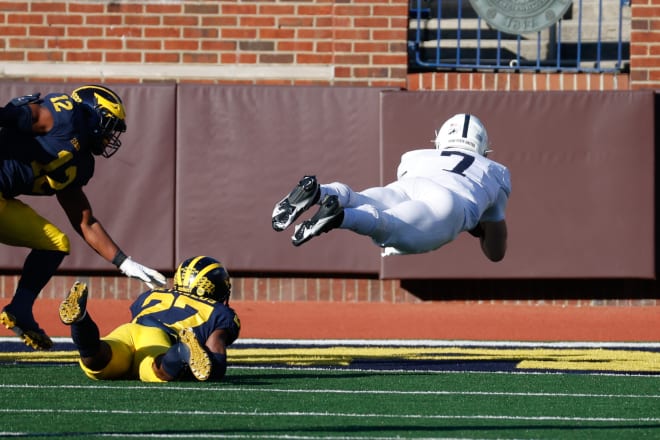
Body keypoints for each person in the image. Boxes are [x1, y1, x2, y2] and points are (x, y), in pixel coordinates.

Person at [0, 85, 166, 351]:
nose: (111, 134)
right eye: (109, 124)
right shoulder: (64, 116)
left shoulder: (81, 163)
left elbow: (84, 220)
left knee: (55, 243)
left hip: (3, 199)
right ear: (92, 114)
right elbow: (14, 115)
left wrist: (125, 263)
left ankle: (20, 309)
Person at [272, 113, 511, 261]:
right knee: (385, 224)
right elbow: (495, 253)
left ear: (441, 140)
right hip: (450, 201)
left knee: (360, 198)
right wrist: (480, 228)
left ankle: (322, 192)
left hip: (412, 183)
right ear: (483, 147)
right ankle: (339, 218)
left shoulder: (415, 156)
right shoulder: (495, 171)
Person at [59, 255, 241, 382]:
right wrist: (212, 369)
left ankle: (81, 320)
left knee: (97, 359)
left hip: (129, 330)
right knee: (158, 369)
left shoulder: (153, 294)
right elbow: (216, 358)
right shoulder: (218, 312)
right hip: (160, 337)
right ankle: (180, 352)